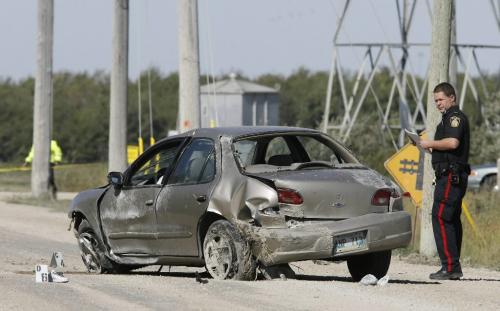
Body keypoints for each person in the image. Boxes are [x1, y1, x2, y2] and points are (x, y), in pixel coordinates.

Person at [419, 82, 470, 280]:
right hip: (448, 174)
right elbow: (447, 148)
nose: (438, 104)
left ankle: (450, 266)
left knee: (441, 217)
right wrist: (427, 147)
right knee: (450, 218)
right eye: (436, 101)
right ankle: (453, 265)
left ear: (452, 98)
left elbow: (453, 142)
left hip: (451, 176)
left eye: (440, 99)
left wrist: (430, 142)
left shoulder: (455, 117)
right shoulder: (446, 119)